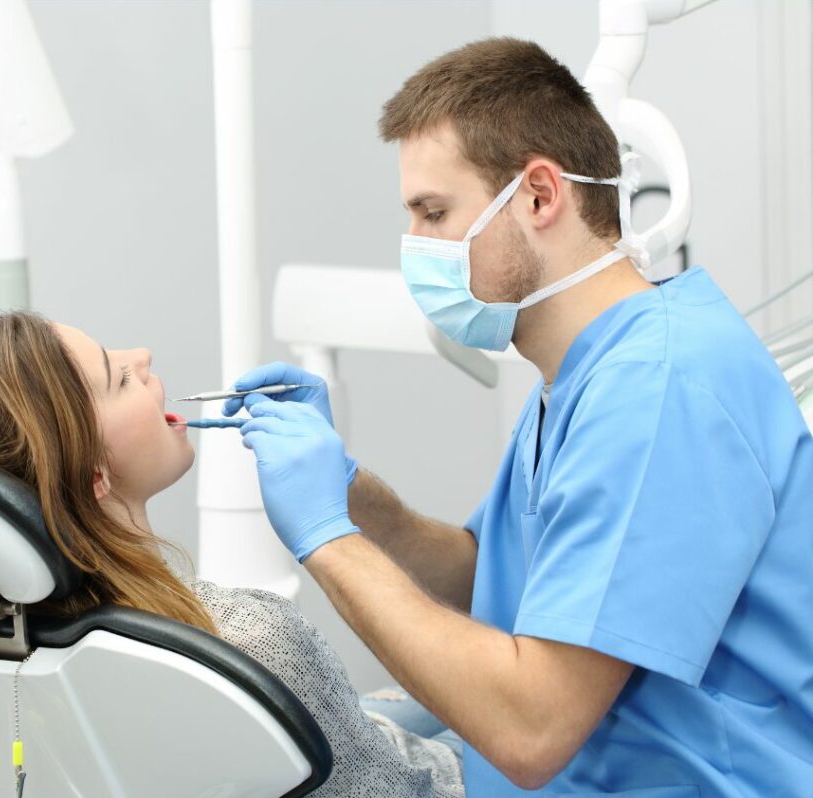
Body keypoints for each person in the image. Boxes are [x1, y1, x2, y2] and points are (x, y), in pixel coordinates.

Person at [223, 38, 813, 797]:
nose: (416, 248)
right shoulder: (585, 374)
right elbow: (499, 579)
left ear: (538, 195)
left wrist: (328, 541)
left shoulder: (659, 388)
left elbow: (531, 730)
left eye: (434, 213)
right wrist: (349, 493)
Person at [0, 311, 465, 798]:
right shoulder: (251, 642)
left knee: (396, 706)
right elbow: (416, 789)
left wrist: (346, 481)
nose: (141, 356)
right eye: (118, 378)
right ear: (93, 476)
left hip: (333, 742)